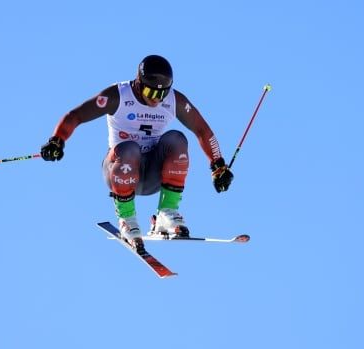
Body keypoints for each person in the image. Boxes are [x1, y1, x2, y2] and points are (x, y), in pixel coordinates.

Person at [41, 55, 234, 252]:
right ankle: (127, 219)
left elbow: (202, 130)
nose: (155, 99)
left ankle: (166, 213)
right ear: (138, 83)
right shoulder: (118, 96)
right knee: (130, 148)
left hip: (152, 174)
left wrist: (218, 164)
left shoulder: (174, 101)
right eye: (150, 92)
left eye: (161, 95)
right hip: (120, 167)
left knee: (177, 139)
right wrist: (58, 140)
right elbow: (76, 115)